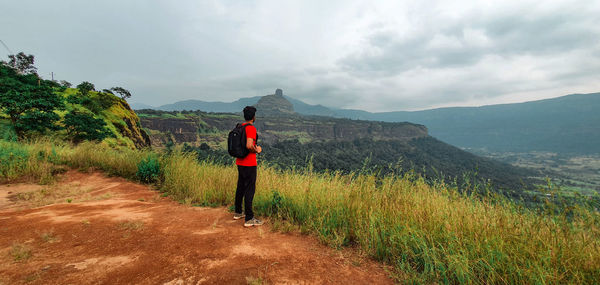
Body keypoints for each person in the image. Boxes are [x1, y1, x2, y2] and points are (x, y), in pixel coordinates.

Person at [233, 106, 264, 227]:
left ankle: (238, 212)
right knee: (250, 189)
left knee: (240, 187)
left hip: (239, 162)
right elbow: (249, 145)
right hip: (249, 163)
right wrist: (258, 150)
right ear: (253, 117)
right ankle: (249, 218)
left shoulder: (240, 126)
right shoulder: (250, 128)